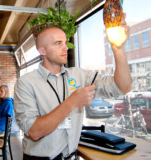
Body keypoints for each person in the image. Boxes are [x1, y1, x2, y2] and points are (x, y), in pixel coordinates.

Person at [14, 21, 131, 159]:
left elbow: (122, 87)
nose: (65, 48)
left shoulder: (79, 76)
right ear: (42, 51)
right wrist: (72, 102)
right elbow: (34, 131)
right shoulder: (26, 83)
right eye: (58, 43)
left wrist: (118, 49)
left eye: (65, 42)